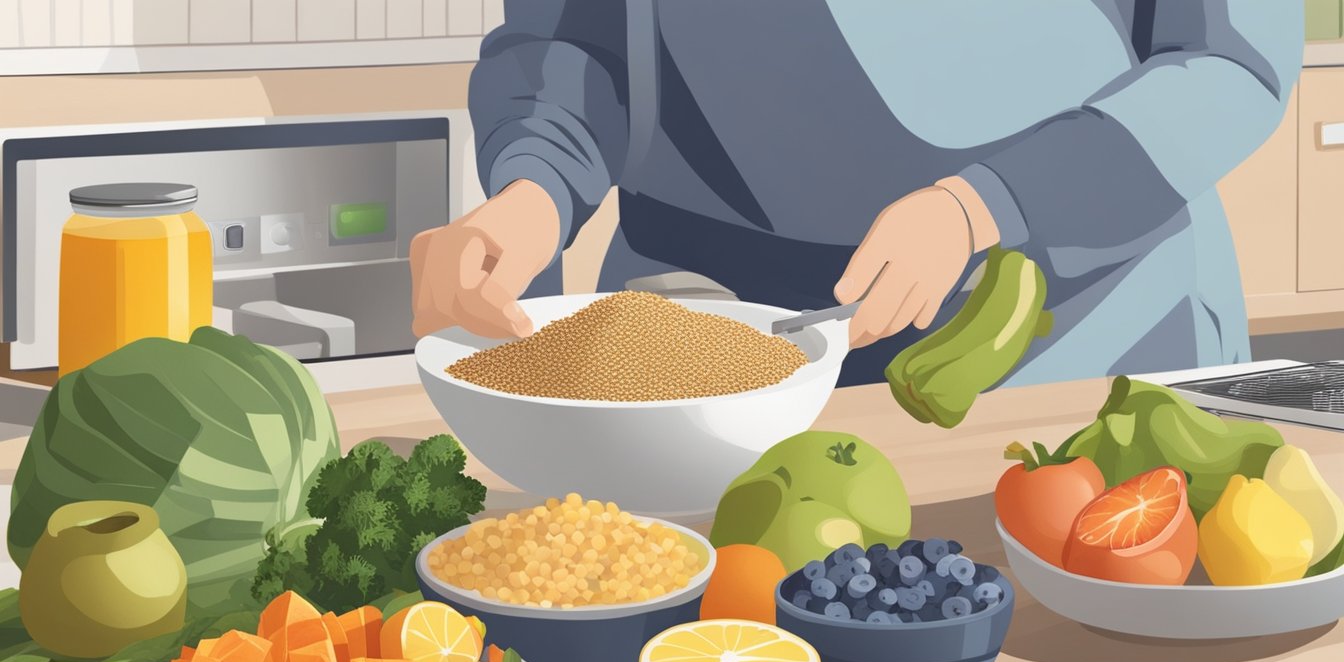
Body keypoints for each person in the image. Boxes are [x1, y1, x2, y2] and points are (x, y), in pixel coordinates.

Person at [410, 1, 1303, 387]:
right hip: (698, 340)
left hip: (1059, 335)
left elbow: (1227, 63)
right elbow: (576, 38)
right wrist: (532, 190)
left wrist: (980, 205)